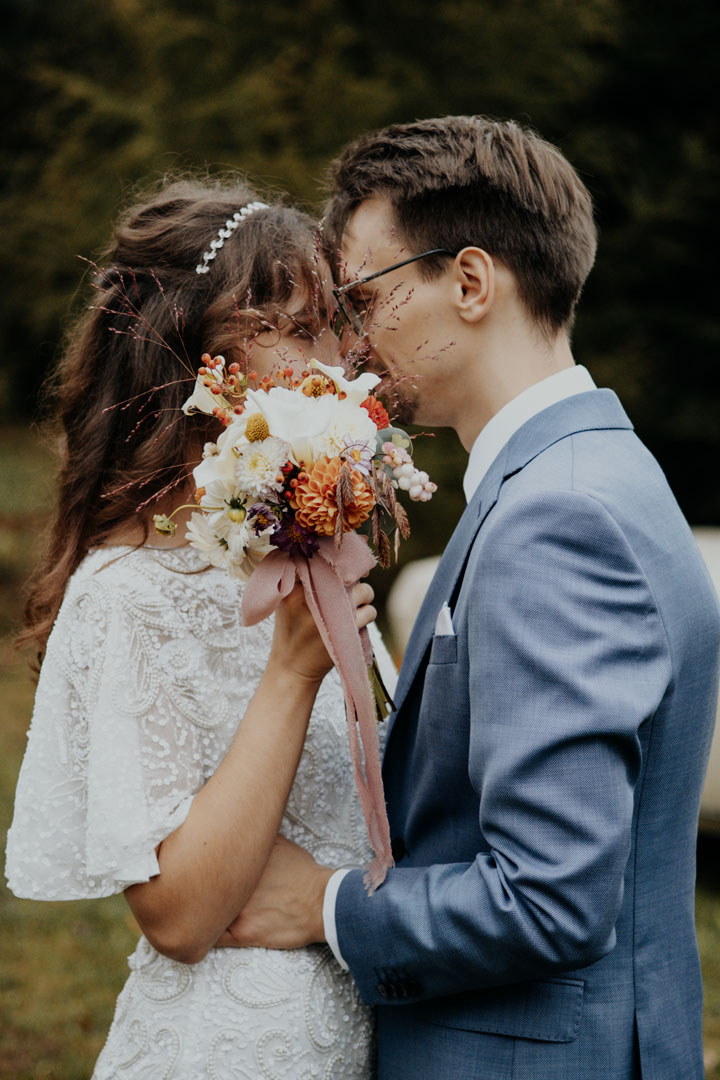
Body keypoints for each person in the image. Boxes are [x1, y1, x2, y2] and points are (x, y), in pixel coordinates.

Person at [224, 117, 720, 1079]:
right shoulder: (597, 470)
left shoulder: (557, 517)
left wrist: (323, 903)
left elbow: (548, 898)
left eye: (365, 293)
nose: (353, 336)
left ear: (470, 282)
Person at [5, 177, 392, 1079]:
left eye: (329, 328)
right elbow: (178, 917)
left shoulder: (301, 558)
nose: (332, 361)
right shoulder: (127, 594)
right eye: (294, 329)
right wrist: (292, 672)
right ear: (192, 357)